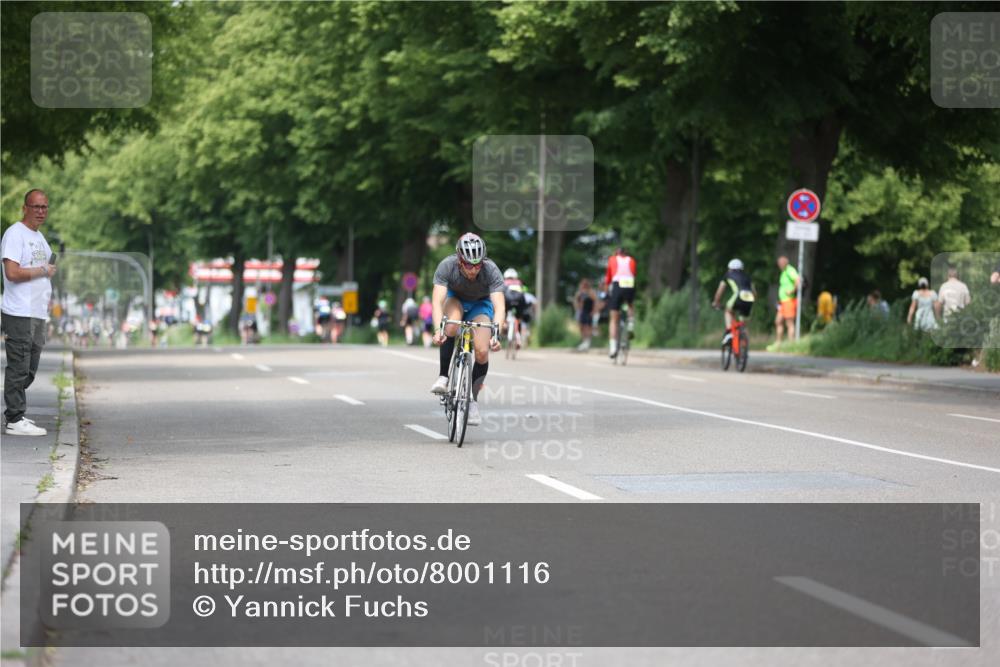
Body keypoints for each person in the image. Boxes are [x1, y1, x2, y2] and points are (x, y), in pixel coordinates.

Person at [429, 233, 504, 426]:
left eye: (478, 264)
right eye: (469, 265)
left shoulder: (491, 270)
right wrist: (439, 330)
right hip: (456, 300)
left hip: (481, 304)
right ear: (460, 260)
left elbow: (500, 306)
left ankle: (472, 401)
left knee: (481, 351)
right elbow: (437, 302)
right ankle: (444, 377)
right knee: (452, 325)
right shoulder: (447, 266)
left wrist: (496, 334)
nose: (473, 269)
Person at [2, 189, 57, 436]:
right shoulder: (15, 234)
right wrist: (43, 271)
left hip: (37, 312)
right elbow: (12, 273)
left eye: (44, 207)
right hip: (19, 312)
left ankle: (18, 412)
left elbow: (46, 268)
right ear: (25, 208)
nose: (41, 211)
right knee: (19, 366)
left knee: (30, 367)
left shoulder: (39, 237)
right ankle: (14, 418)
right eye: (36, 207)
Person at [603, 246, 637, 359]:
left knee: (613, 318)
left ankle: (613, 348)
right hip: (629, 283)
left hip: (617, 284)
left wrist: (606, 291)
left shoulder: (612, 259)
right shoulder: (631, 260)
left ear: (616, 253)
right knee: (630, 305)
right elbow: (633, 273)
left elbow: (608, 278)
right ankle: (631, 325)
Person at [711, 258, 755, 333]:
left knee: (728, 310)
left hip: (739, 295)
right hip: (750, 297)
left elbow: (719, 291)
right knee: (743, 322)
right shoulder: (747, 277)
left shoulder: (728, 275)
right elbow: (754, 293)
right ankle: (744, 340)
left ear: (730, 268)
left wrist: (716, 302)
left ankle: (729, 331)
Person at [774, 255, 800, 344]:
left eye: (780, 264)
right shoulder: (784, 272)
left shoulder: (790, 270)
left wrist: (792, 290)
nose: (779, 265)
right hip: (782, 302)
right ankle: (778, 343)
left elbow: (798, 280)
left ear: (785, 263)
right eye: (778, 264)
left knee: (789, 323)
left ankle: (791, 343)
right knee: (778, 321)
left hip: (789, 301)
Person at [502, 268, 528, 348]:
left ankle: (505, 324)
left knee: (502, 311)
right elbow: (524, 292)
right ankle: (518, 337)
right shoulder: (519, 282)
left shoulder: (503, 282)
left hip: (508, 301)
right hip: (519, 300)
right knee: (519, 317)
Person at [574, 278, 600, 351]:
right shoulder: (580, 293)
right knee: (581, 326)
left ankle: (587, 342)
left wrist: (594, 311)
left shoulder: (591, 292)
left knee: (588, 327)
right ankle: (584, 341)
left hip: (589, 311)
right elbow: (576, 300)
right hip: (582, 311)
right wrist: (577, 308)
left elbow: (596, 301)